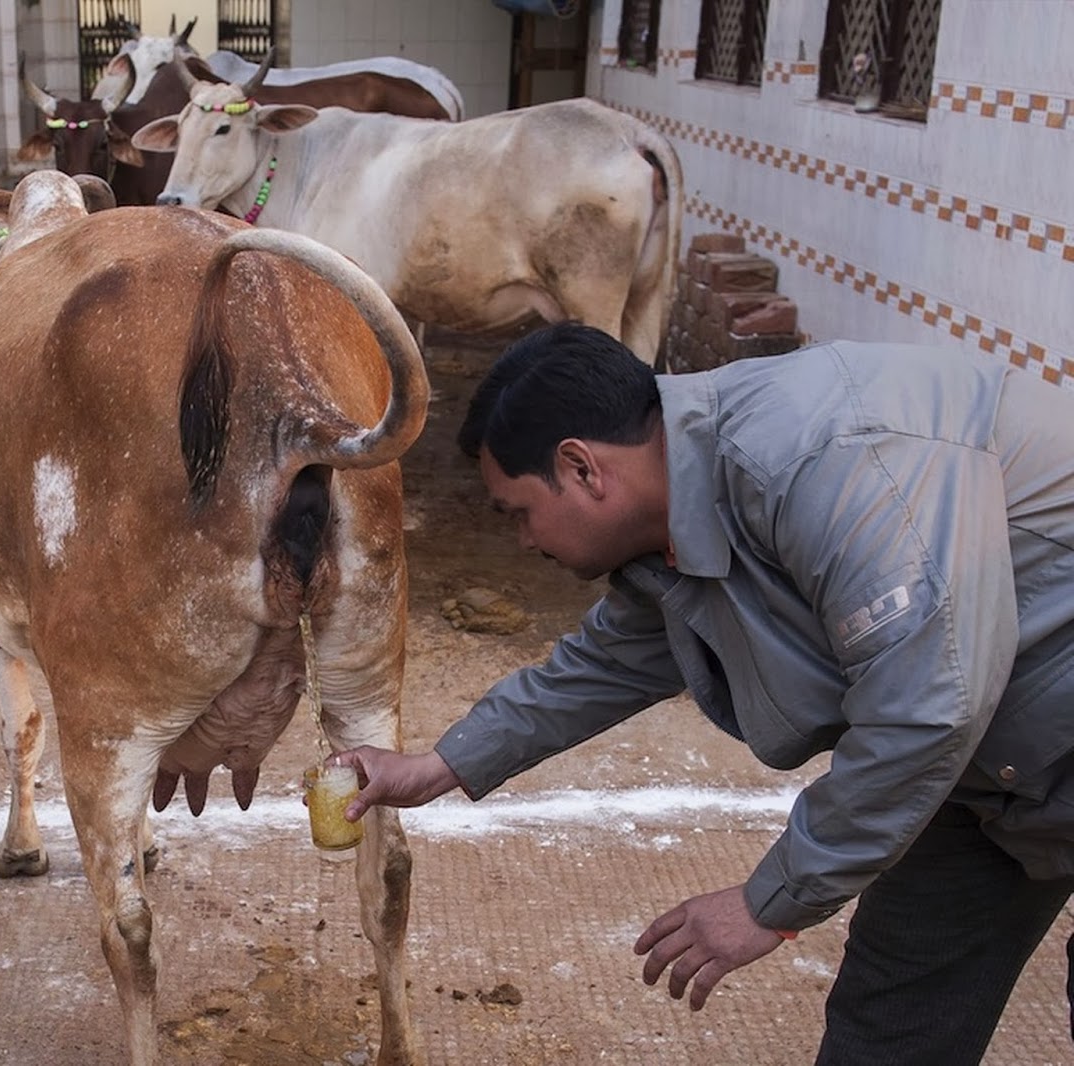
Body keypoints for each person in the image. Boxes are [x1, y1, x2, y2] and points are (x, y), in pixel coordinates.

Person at [333, 323, 1074, 1064]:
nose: (524, 541)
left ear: (583, 469)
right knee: (896, 1016)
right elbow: (602, 663)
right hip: (990, 777)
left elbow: (929, 702)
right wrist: (441, 766)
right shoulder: (680, 520)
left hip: (1005, 735)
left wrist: (768, 901)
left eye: (518, 512)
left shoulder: (822, 456)